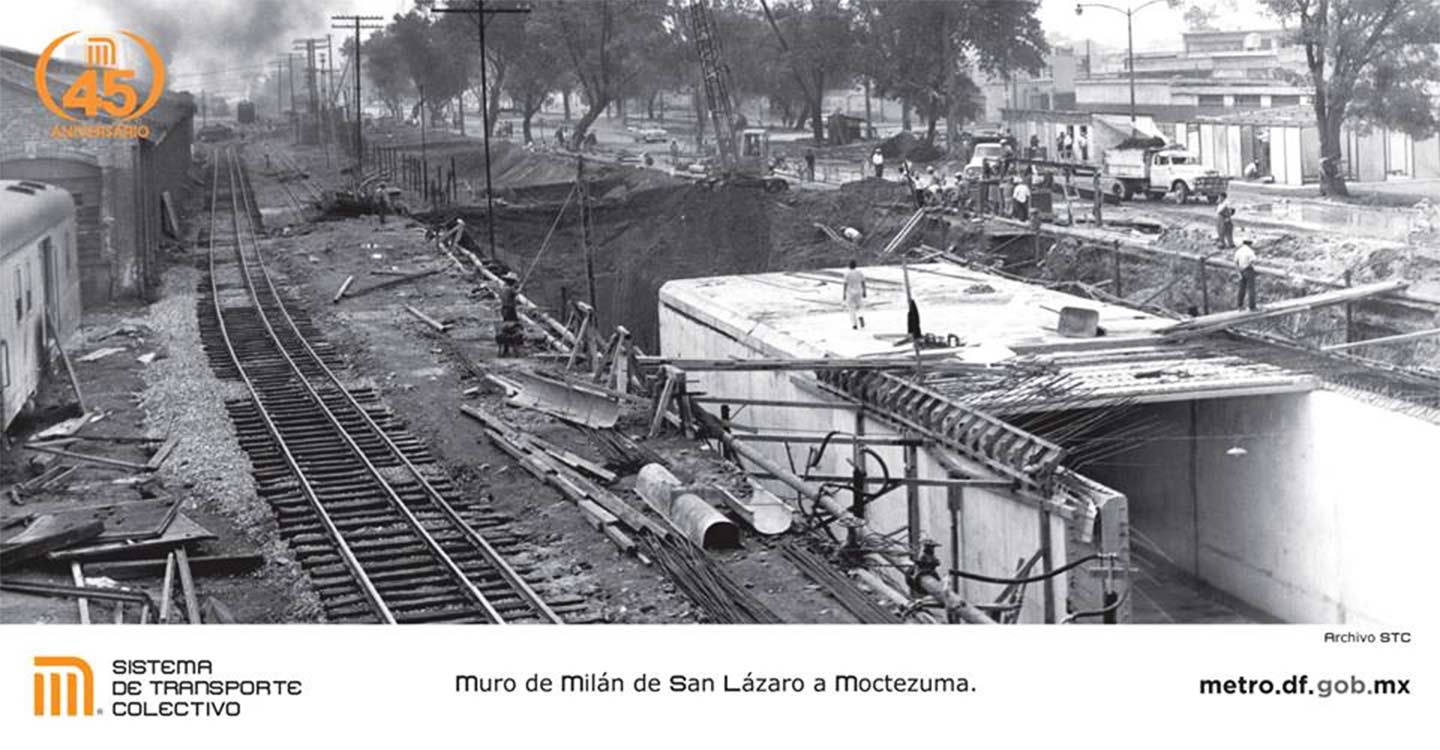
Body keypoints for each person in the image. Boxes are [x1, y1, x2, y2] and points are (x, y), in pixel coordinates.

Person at [1234, 239, 1258, 311]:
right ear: (1250, 244)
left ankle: (1240, 305)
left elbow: (1235, 262)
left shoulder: (1238, 251)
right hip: (1248, 270)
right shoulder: (1250, 251)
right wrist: (1249, 265)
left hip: (1241, 270)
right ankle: (1252, 306)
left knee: (1241, 289)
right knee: (1251, 289)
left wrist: (1239, 272)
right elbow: (1253, 261)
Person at [843, 260, 867, 330]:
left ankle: (854, 324)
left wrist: (844, 294)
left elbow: (845, 284)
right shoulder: (859, 272)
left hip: (850, 293)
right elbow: (863, 282)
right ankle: (860, 316)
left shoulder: (847, 273)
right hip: (859, 292)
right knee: (860, 307)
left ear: (849, 265)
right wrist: (864, 291)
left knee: (851, 309)